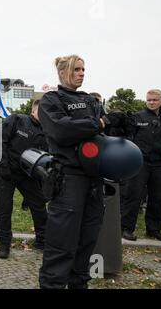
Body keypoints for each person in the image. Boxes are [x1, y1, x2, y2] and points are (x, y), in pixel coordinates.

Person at [38, 55, 106, 289]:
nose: (81, 73)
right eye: (76, 69)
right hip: (69, 178)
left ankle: (79, 284)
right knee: (61, 243)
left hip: (95, 179)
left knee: (88, 241)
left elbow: (103, 133)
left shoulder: (90, 100)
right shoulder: (51, 100)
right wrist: (97, 124)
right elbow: (61, 130)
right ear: (63, 72)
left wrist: (105, 123)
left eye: (83, 69)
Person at [0, 99, 48, 259]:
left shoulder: (46, 131)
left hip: (29, 176)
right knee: (4, 208)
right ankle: (4, 243)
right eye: (41, 110)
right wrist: (3, 168)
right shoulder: (17, 120)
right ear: (33, 110)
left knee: (39, 205)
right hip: (7, 173)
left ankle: (42, 240)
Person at [120, 89, 161, 242]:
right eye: (149, 100)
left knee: (157, 197)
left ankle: (154, 230)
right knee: (133, 196)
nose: (151, 102)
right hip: (140, 162)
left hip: (160, 164)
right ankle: (126, 228)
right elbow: (127, 136)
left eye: (155, 100)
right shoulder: (138, 117)